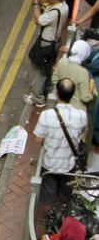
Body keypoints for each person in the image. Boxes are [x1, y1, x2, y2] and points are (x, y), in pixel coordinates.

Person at [33, 78, 87, 207]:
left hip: (49, 165)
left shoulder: (46, 115)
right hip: (69, 165)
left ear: (57, 92)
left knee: (49, 194)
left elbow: (38, 139)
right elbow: (81, 132)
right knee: (66, 195)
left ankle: (51, 215)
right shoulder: (81, 115)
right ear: (73, 94)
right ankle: (64, 214)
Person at [25, 0, 69, 106]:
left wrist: (36, 3)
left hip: (46, 43)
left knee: (38, 70)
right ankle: (44, 91)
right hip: (54, 42)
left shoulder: (55, 12)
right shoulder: (64, 6)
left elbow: (38, 20)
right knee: (46, 68)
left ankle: (38, 98)